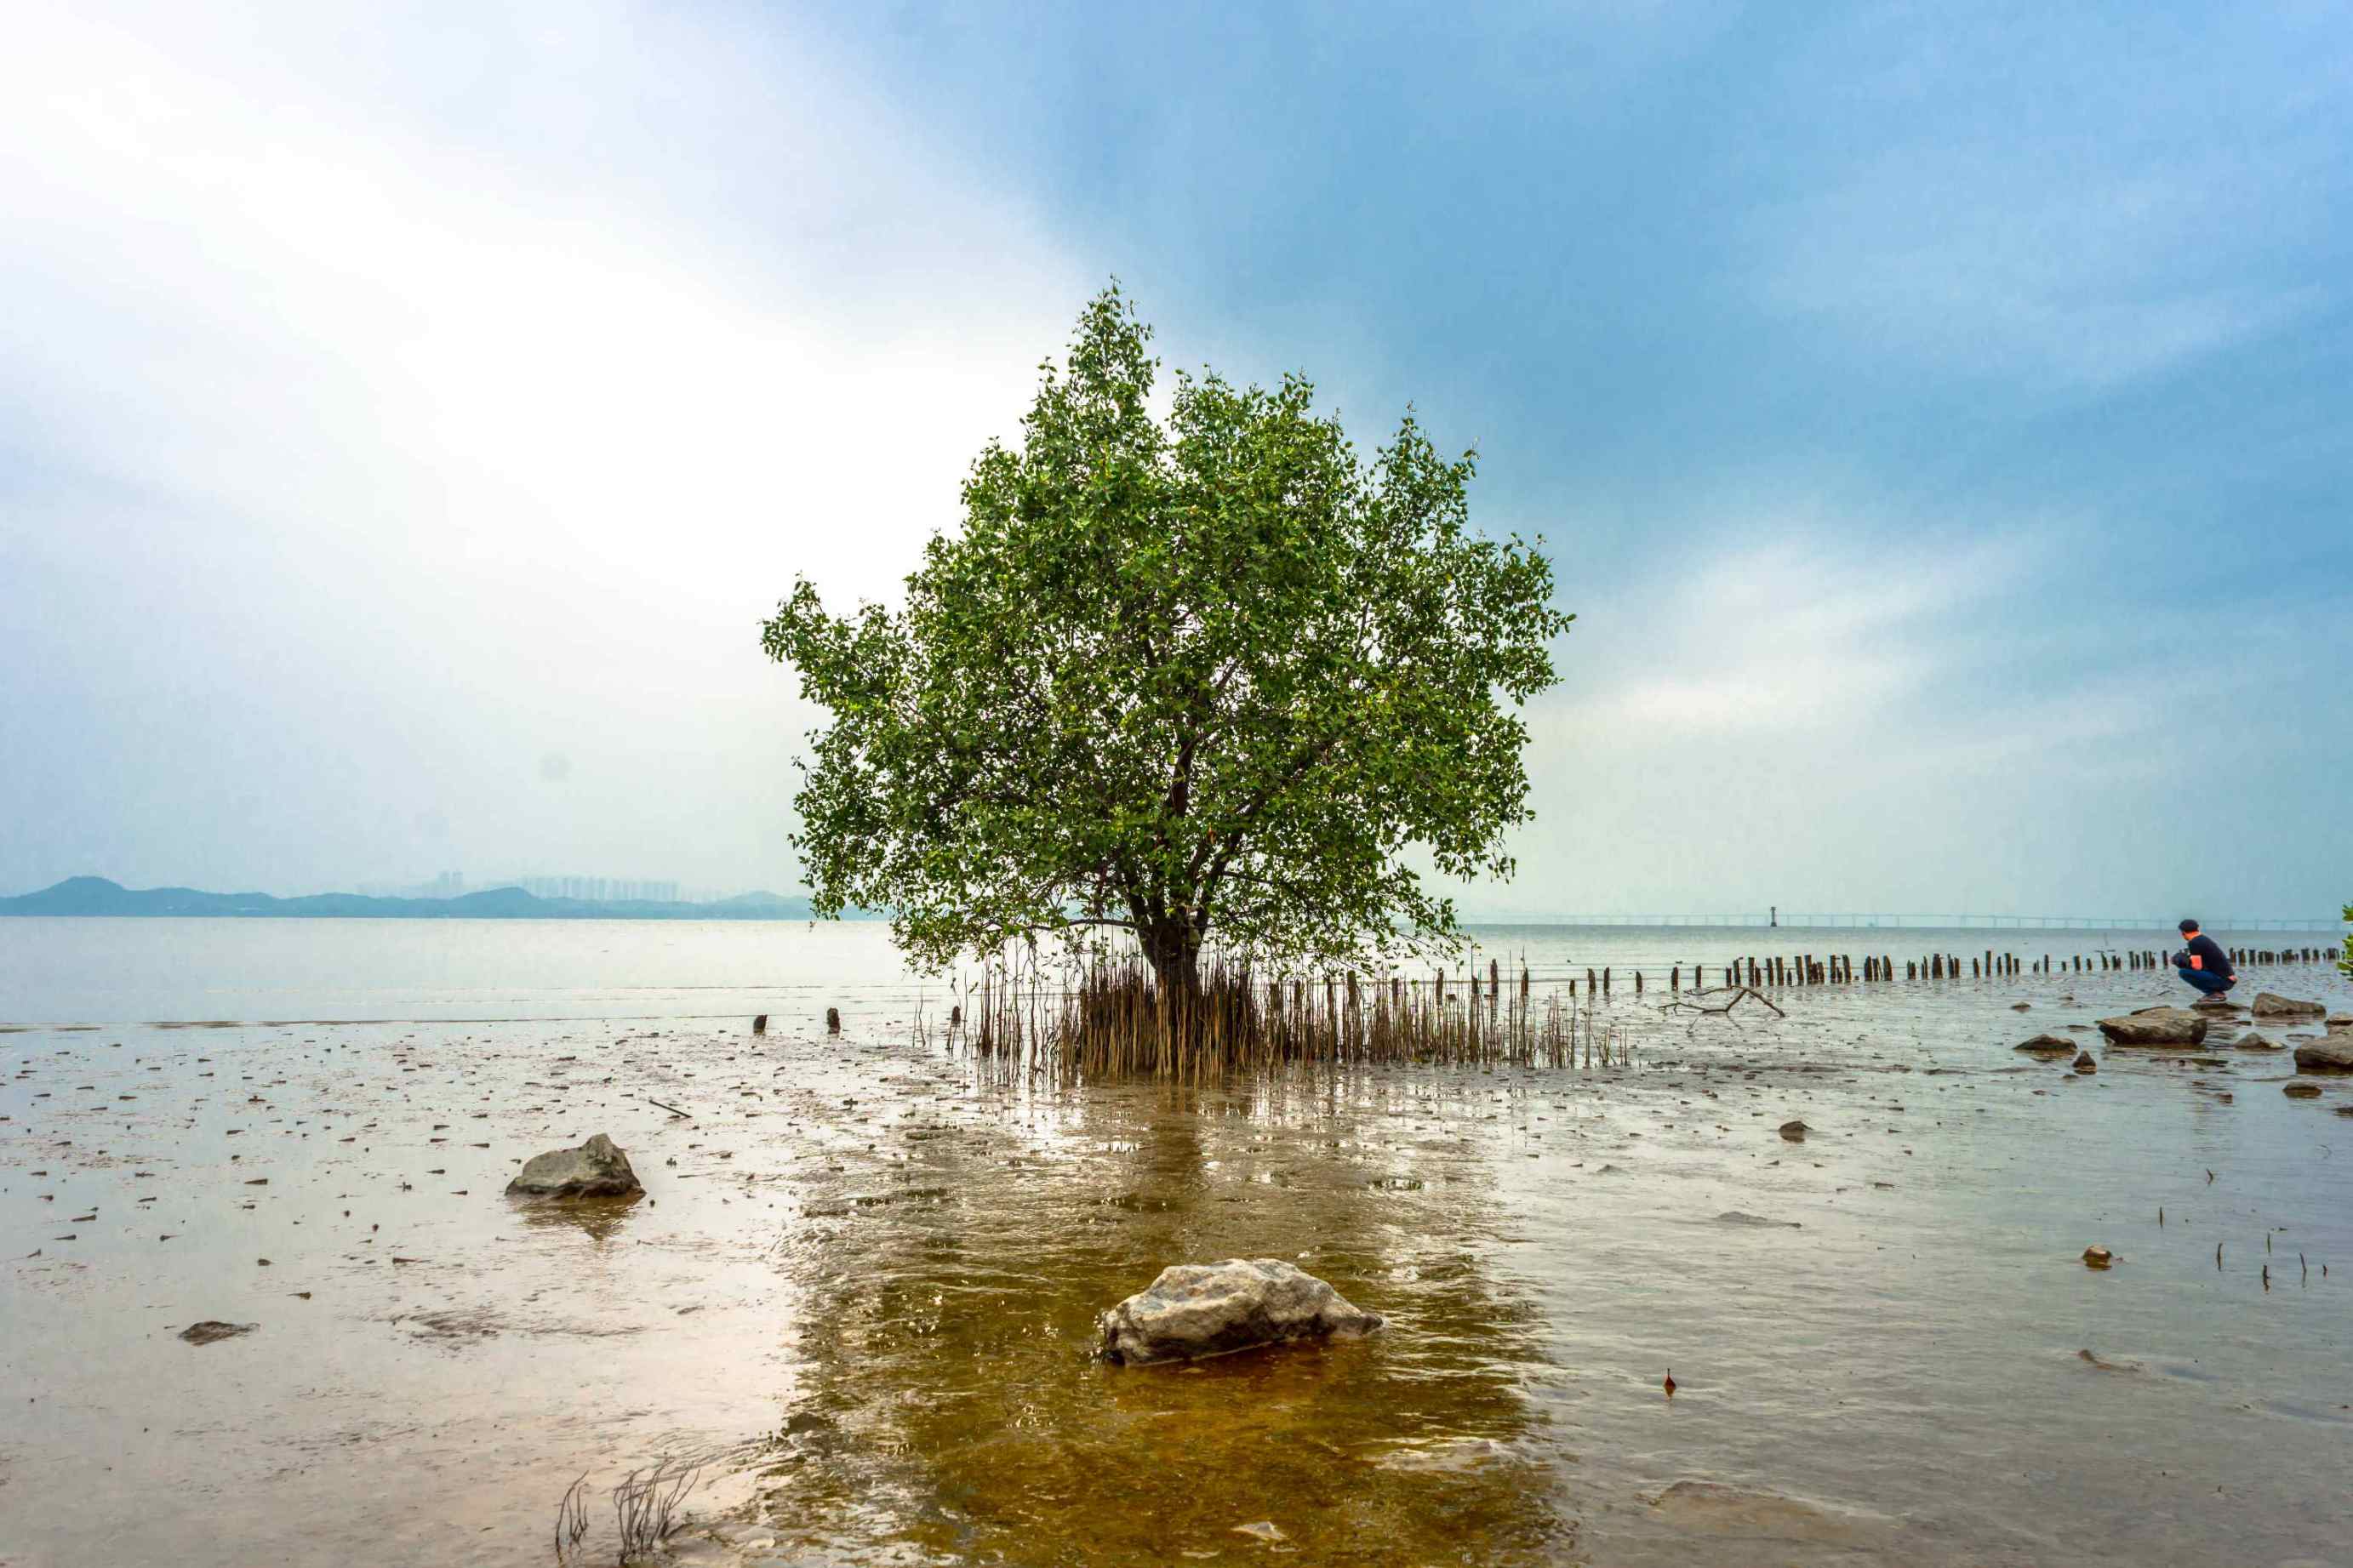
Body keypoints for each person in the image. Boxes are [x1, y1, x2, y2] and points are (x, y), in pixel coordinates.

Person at [2170, 919, 2236, 999]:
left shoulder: (2194, 942)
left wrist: (2179, 962)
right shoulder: (2203, 939)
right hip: (2228, 980)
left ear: (2183, 932)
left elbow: (2197, 967)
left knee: (2183, 972)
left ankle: (2212, 993)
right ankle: (2217, 993)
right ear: (2197, 929)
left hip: (2223, 981)